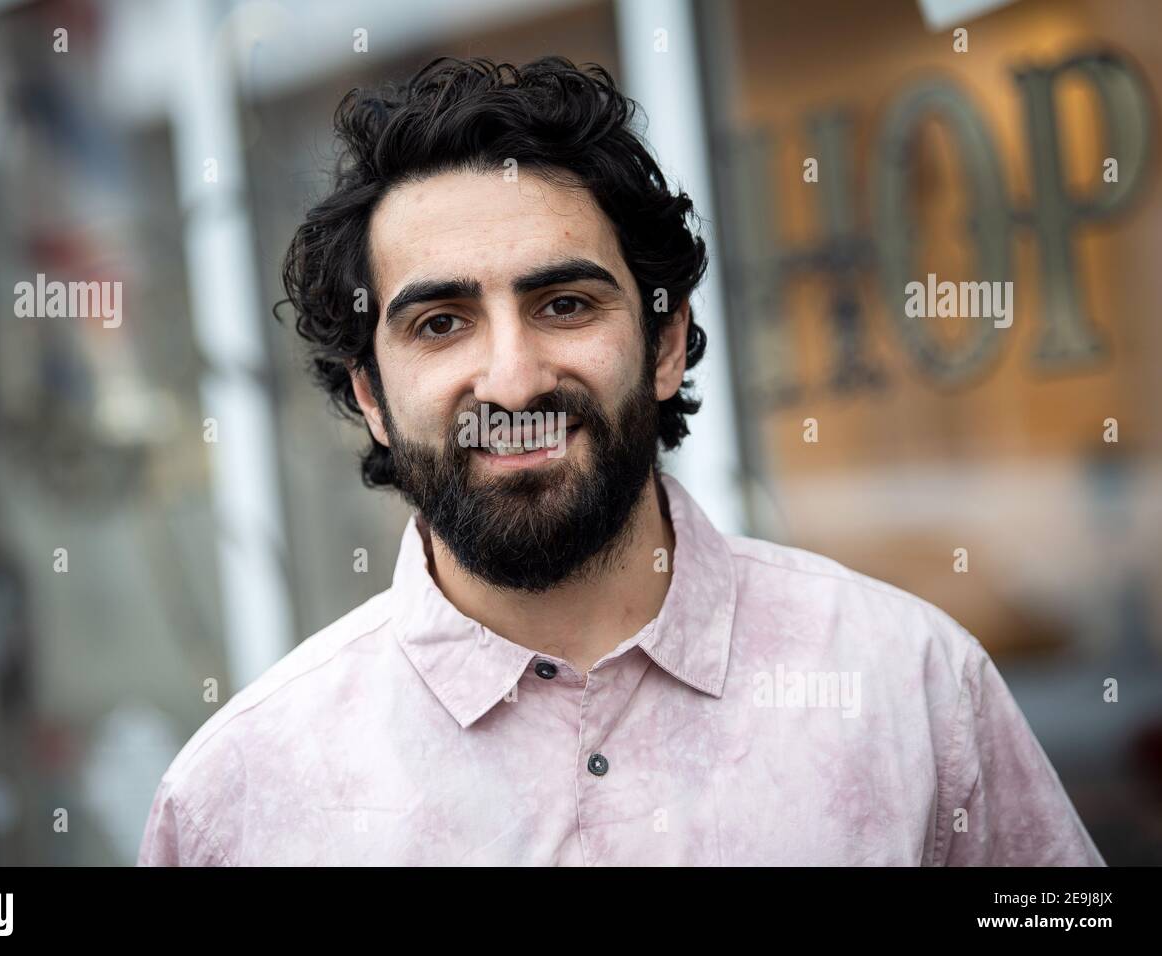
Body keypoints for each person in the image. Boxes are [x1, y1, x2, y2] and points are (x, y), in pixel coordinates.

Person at [138, 55, 1104, 866]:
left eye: (565, 305)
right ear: (369, 396)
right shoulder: (240, 799)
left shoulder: (911, 684)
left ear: (668, 343)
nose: (512, 383)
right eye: (440, 324)